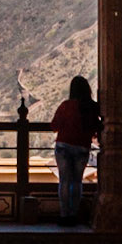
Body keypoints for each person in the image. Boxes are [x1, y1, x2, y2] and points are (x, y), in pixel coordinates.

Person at [50, 74, 101, 225]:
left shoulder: (66, 106)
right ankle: (74, 214)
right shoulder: (93, 108)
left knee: (64, 182)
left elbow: (54, 126)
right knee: (77, 182)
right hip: (82, 148)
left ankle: (64, 215)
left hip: (64, 147)